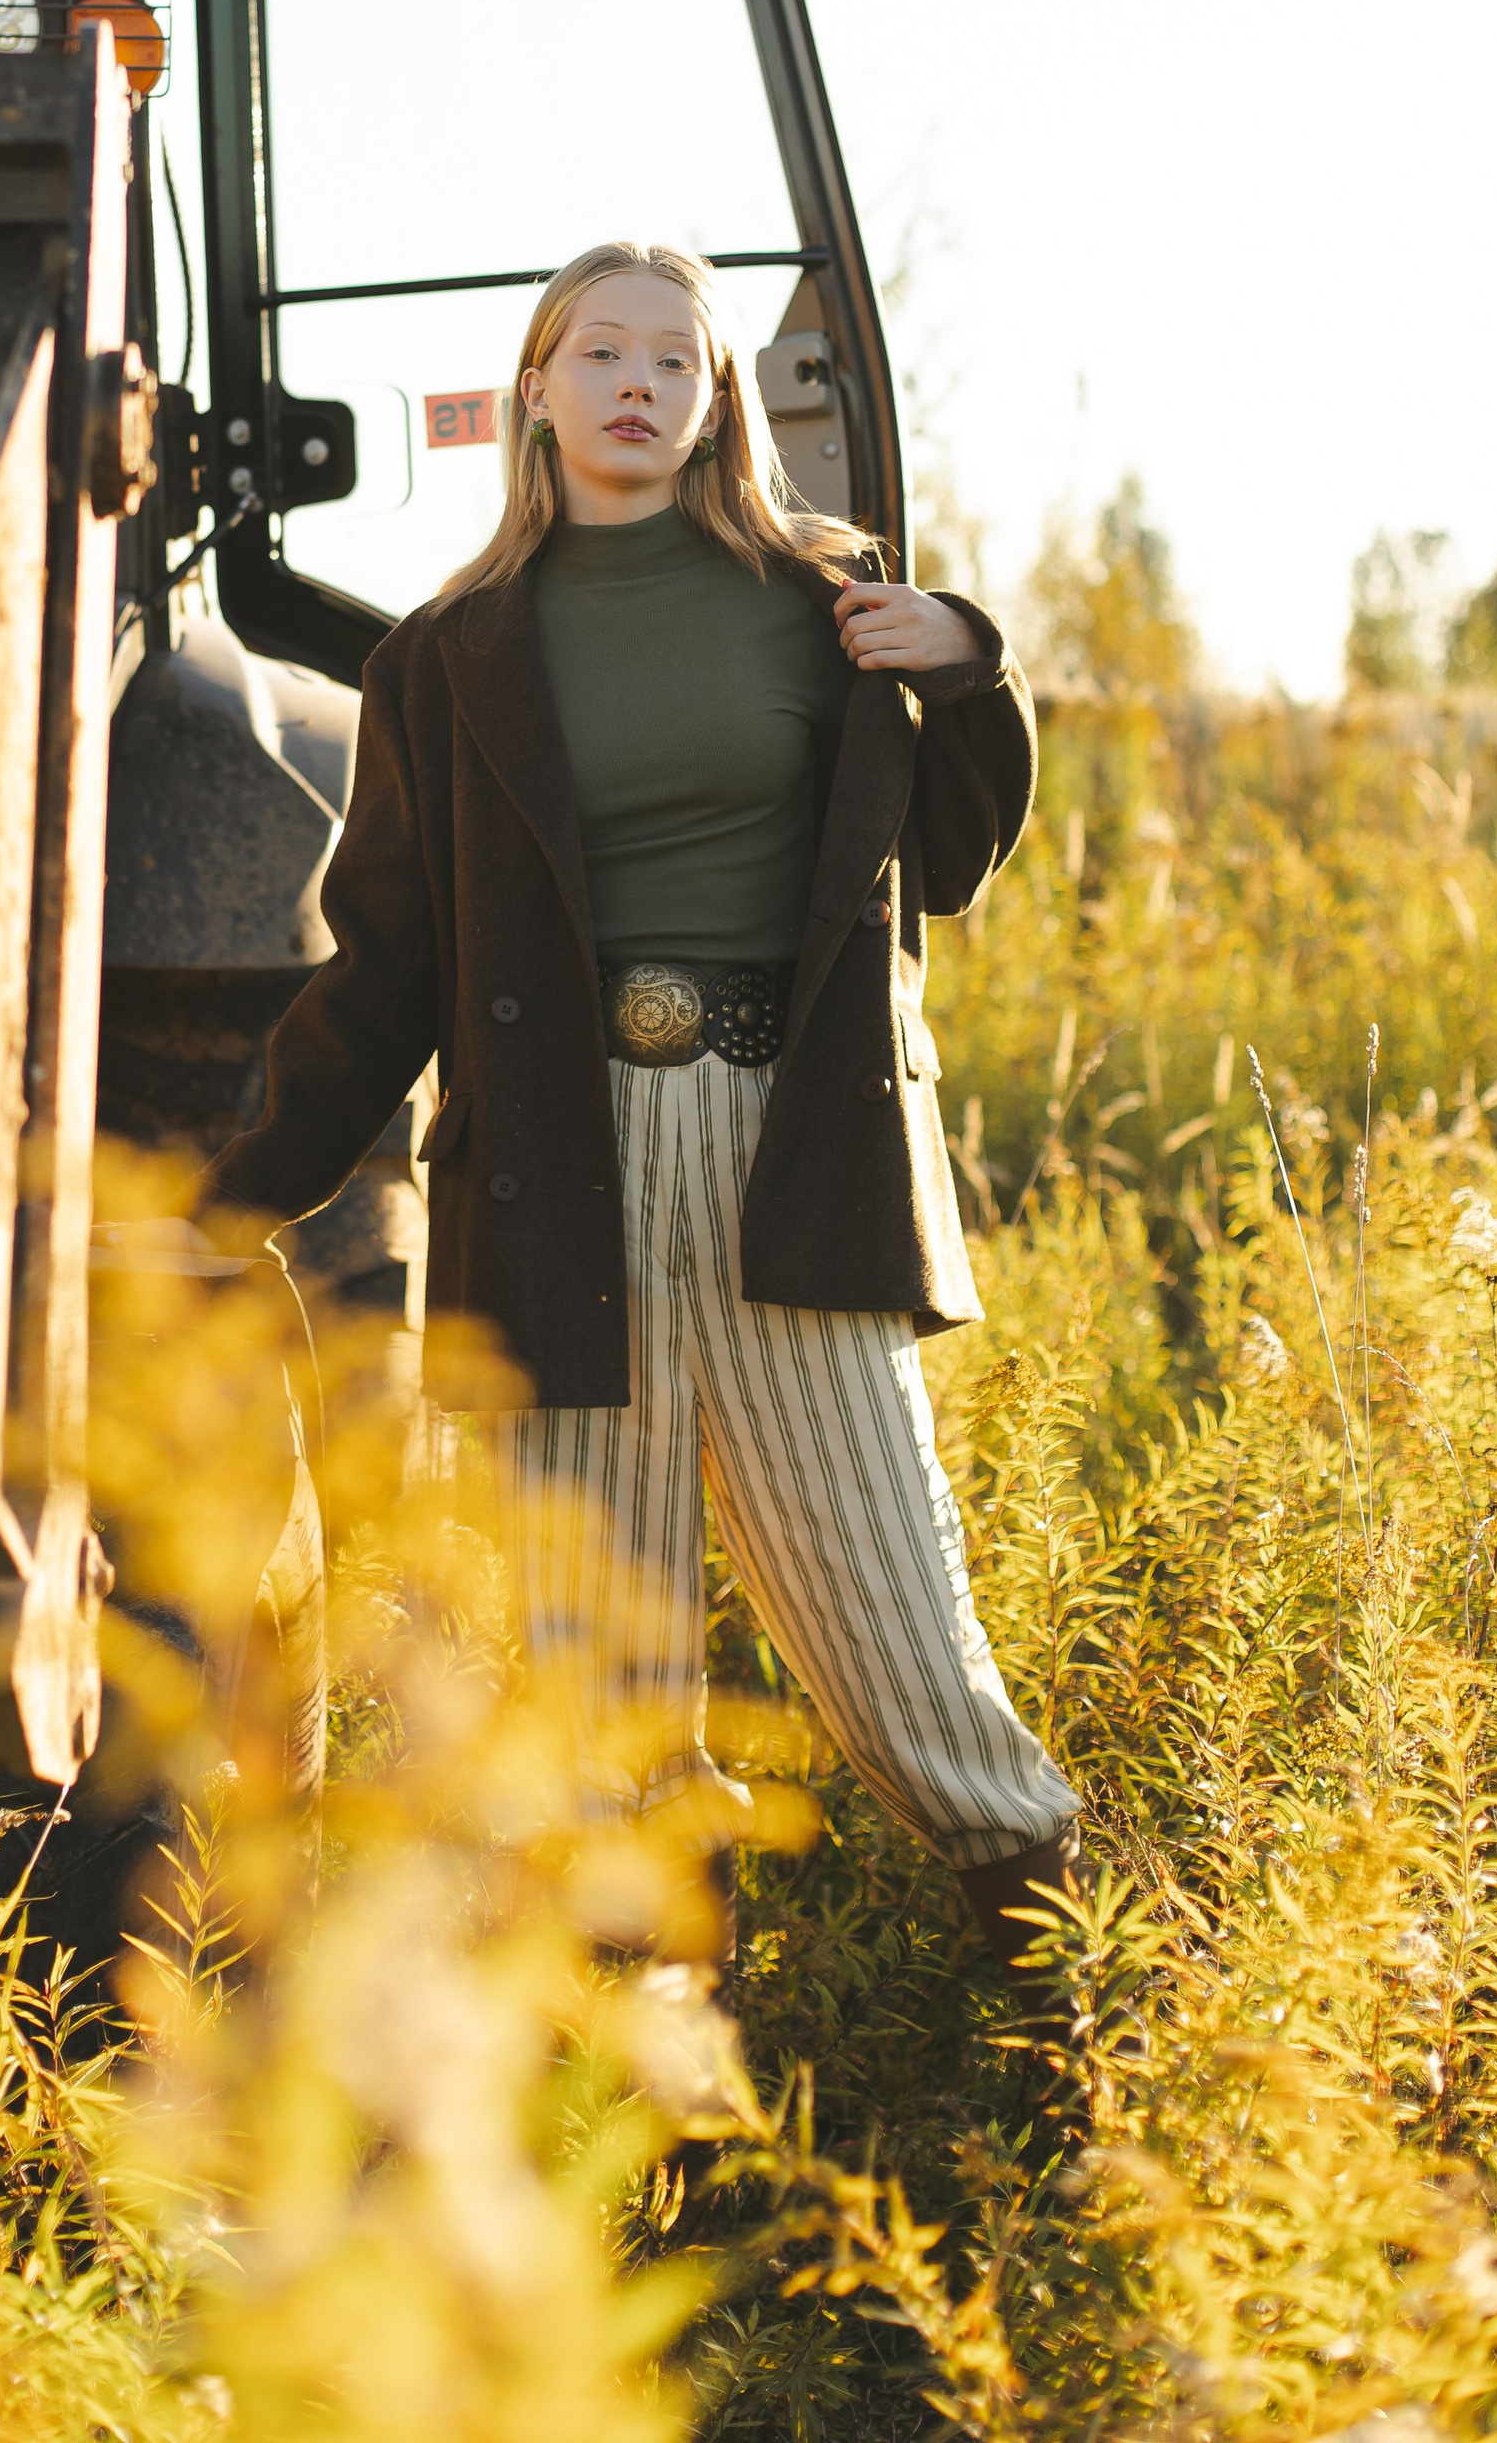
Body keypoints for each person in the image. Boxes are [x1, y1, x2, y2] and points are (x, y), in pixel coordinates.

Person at [200, 240, 1078, 1989]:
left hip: (791, 1158)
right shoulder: (442, 659)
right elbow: (385, 972)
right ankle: (657, 2121)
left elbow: (961, 857)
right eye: (600, 352)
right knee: (596, 1702)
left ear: (715, 402)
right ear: (535, 389)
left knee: (906, 1654)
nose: (637, 384)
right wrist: (235, 1198)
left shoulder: (827, 597)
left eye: (677, 362)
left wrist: (970, 664)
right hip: (554, 1174)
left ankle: (1079, 2051)